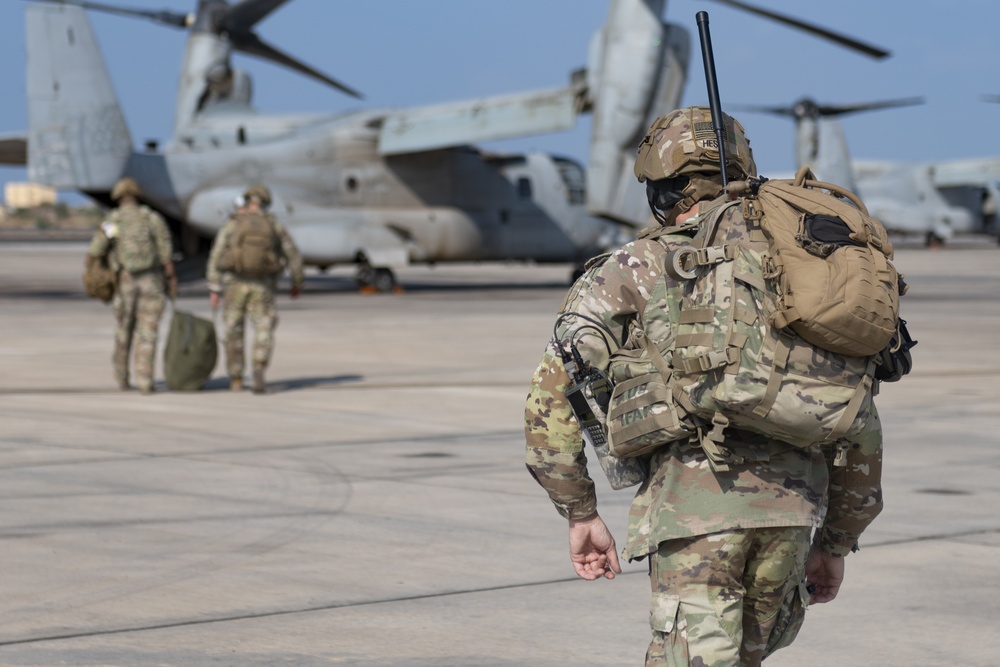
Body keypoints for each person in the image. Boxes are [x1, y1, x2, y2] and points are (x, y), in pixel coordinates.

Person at [524, 107, 884, 666]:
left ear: (666, 190)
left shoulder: (636, 265)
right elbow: (858, 412)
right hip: (791, 518)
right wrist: (836, 541)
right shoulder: (801, 264)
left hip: (693, 514)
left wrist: (579, 511)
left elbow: (553, 392)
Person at [206, 183, 304, 394]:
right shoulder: (273, 225)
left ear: (247, 200)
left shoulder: (234, 223)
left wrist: (214, 287)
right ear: (266, 202)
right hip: (263, 285)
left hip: (234, 284)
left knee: (233, 330)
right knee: (263, 328)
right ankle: (259, 366)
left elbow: (216, 254)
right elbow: (292, 253)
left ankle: (236, 377)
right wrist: (297, 281)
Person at [86, 177, 176, 394]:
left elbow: (96, 249)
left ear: (118, 197)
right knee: (148, 332)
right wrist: (171, 280)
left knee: (124, 329)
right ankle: (145, 381)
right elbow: (166, 255)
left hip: (125, 282)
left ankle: (122, 377)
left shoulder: (113, 221)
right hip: (151, 281)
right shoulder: (151, 218)